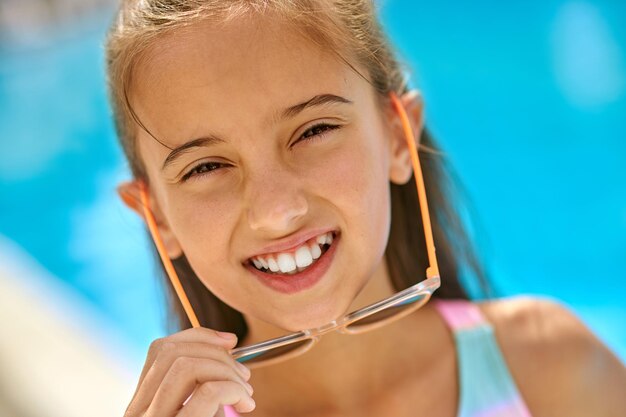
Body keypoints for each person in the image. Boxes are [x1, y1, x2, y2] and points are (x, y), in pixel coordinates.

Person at [106, 1, 626, 416]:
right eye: (206, 168)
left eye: (314, 131)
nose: (276, 211)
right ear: (155, 215)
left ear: (399, 136)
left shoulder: (551, 366)